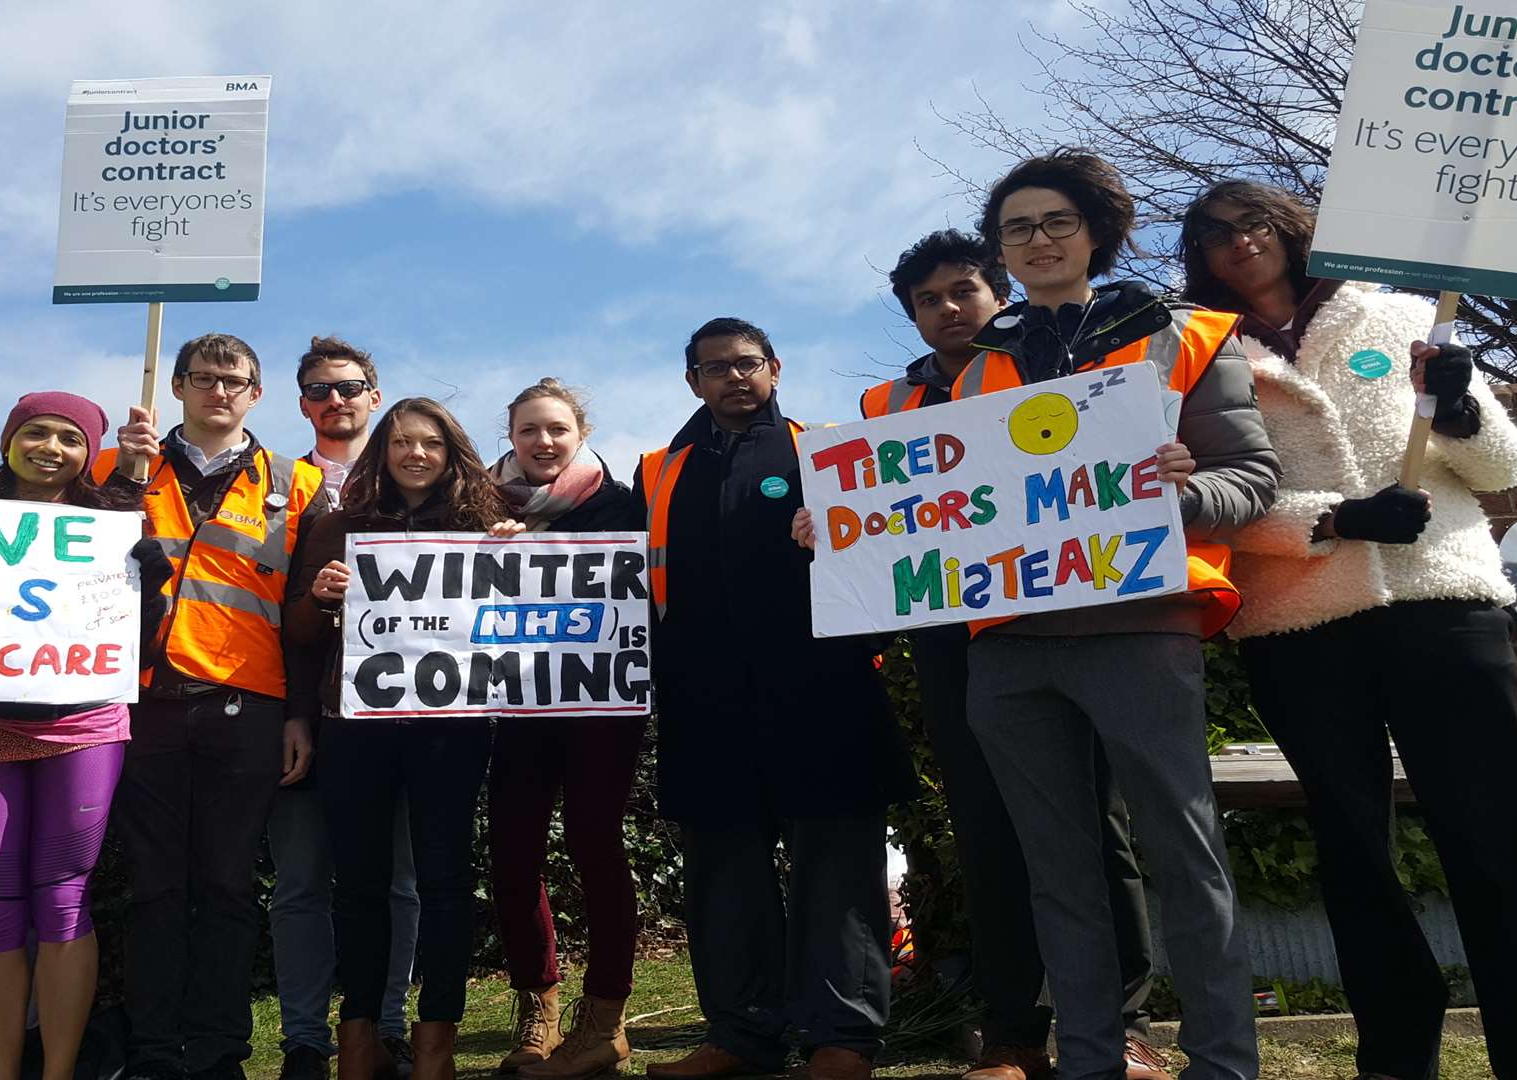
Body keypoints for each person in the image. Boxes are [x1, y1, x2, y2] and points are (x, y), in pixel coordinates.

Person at [1179, 179, 1517, 1080]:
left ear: (1291, 228)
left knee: (1504, 831)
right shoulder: (1195, 353)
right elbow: (1200, 500)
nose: (1237, 242)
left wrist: (1456, 408)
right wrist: (1331, 520)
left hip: (1443, 605)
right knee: (1353, 848)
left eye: (1252, 222)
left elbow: (1500, 467)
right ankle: (1397, 1053)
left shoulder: (1406, 311)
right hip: (1298, 625)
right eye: (1213, 234)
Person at [957, 150, 1277, 1080]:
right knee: (1056, 871)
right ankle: (1090, 1061)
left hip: (1141, 626)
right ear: (1002, 252)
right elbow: (940, 502)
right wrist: (851, 527)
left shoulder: (1184, 336)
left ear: (1098, 230)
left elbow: (1251, 478)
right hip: (1010, 644)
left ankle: (1223, 1064)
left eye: (1057, 221)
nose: (1038, 240)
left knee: (1185, 853)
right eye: (1017, 228)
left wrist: (1185, 494)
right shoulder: (977, 366)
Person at [860, 229, 1160, 1080]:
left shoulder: (1054, 364)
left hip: (1065, 615)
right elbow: (871, 519)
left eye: (964, 291)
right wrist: (826, 530)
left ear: (999, 291)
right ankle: (1016, 1033)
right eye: (928, 300)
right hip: (951, 640)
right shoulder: (886, 407)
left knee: (1098, 824)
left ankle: (1122, 1026)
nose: (949, 310)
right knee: (987, 829)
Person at [639, 319, 917, 1080]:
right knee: (722, 875)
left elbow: (898, 545)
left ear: (776, 368)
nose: (733, 378)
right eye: (715, 368)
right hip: (704, 698)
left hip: (823, 691)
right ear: (690, 379)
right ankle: (738, 1037)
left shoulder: (829, 451)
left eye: (747, 364)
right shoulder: (656, 470)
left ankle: (842, 1040)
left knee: (838, 868)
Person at [0, 392, 172, 1080]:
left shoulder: (108, 525)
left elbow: (137, 645)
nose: (50, 447)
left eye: (68, 437)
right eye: (35, 432)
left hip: (82, 727)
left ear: (90, 454)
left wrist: (153, 593)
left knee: (64, 900)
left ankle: (57, 1073)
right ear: (7, 441)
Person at [95, 333, 328, 1080]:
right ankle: (156, 1052)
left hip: (248, 703)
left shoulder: (294, 481)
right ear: (178, 386)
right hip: (143, 700)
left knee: (229, 885)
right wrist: (121, 486)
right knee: (156, 886)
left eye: (234, 380)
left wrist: (298, 714)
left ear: (256, 393)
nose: (218, 391)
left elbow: (302, 613)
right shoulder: (122, 464)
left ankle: (221, 1052)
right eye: (202, 378)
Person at [284, 398, 520, 1080]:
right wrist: (320, 600)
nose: (416, 454)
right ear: (381, 452)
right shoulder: (338, 525)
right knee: (358, 884)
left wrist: (514, 553)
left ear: (452, 454)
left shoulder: (486, 526)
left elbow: (525, 625)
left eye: (431, 444)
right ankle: (359, 1040)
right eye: (402, 443)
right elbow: (297, 637)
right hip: (355, 726)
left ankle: (435, 1042)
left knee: (445, 882)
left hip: (453, 728)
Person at [486, 379, 645, 1079]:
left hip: (600, 710)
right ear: (511, 438)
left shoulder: (623, 504)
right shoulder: (480, 507)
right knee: (513, 857)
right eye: (529, 431)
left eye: (556, 430)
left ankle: (605, 1018)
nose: (543, 443)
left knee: (596, 847)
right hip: (515, 710)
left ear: (579, 433)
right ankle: (538, 1008)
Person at [275, 337, 422, 1080]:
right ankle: (305, 1039)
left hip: (401, 720)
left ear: (374, 393)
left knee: (396, 882)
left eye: (349, 386)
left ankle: (385, 1029)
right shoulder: (275, 482)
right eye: (317, 389)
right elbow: (284, 622)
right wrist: (296, 713)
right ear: (301, 401)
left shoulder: (417, 476)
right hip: (311, 716)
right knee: (301, 882)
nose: (335, 398)